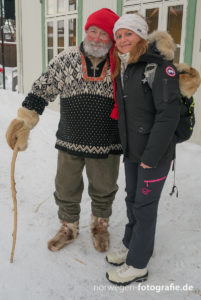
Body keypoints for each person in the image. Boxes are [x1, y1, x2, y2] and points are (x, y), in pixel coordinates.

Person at [6, 8, 122, 253]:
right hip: (70, 140)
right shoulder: (66, 58)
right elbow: (43, 88)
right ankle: (68, 226)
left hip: (108, 142)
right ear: (86, 31)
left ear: (111, 38)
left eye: (104, 34)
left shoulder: (121, 62)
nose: (97, 38)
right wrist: (25, 121)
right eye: (93, 31)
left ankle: (100, 225)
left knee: (104, 187)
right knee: (66, 186)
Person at [105, 13, 181, 285]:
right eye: (119, 35)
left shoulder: (160, 67)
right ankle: (131, 244)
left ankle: (138, 264)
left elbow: (168, 115)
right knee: (132, 200)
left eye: (129, 33)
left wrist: (150, 157)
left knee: (145, 207)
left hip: (154, 154)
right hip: (133, 152)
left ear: (141, 35)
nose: (123, 40)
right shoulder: (126, 66)